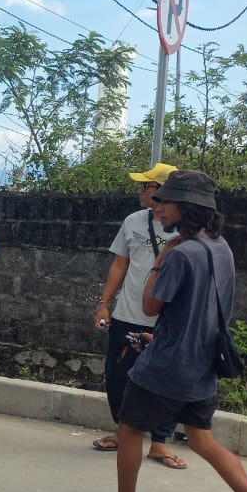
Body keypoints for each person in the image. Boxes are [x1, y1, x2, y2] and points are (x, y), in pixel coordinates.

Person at [80, 170, 247, 492]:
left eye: (166, 202)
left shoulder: (180, 253)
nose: (158, 208)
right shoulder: (221, 247)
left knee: (129, 429)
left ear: (187, 208)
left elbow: (150, 306)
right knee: (203, 440)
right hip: (202, 364)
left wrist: (159, 261)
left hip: (166, 365)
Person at [90, 164, 185, 469]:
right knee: (118, 376)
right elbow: (120, 264)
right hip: (128, 314)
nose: (140, 191)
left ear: (163, 192)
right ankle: (123, 431)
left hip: (165, 320)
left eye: (145, 186)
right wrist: (104, 304)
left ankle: (159, 442)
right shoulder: (133, 221)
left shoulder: (185, 230)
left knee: (165, 381)